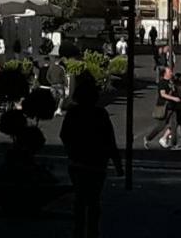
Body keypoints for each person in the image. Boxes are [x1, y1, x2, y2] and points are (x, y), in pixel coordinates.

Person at [59, 71, 124, 238]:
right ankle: (93, 230)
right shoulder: (100, 114)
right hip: (97, 162)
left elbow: (64, 134)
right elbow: (110, 140)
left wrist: (71, 150)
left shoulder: (73, 113)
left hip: (77, 161)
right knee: (94, 200)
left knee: (80, 198)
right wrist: (117, 165)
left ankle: (78, 229)